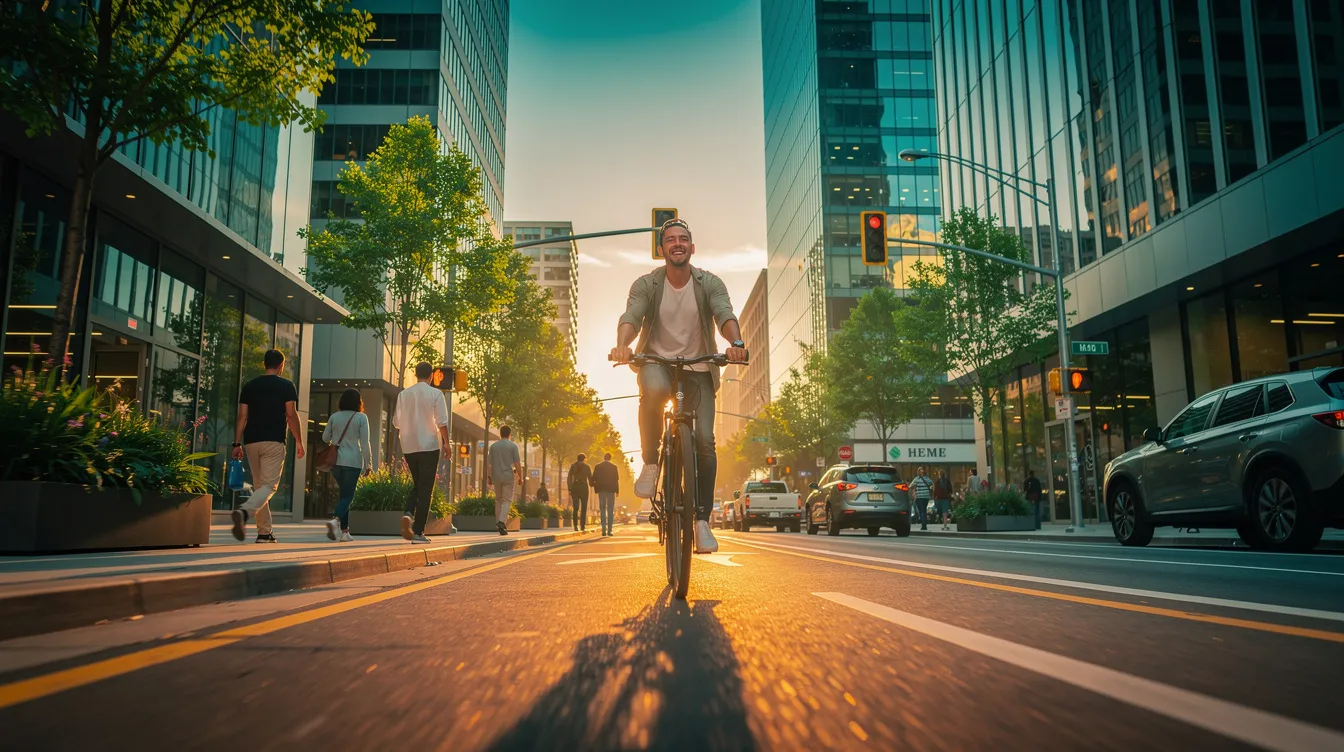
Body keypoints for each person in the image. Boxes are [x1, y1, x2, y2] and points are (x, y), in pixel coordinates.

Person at [609, 217, 749, 555]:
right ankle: (651, 462)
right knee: (655, 391)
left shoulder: (709, 283)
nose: (677, 243)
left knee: (705, 441)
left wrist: (736, 343)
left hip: (699, 367)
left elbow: (724, 314)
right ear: (661, 250)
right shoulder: (647, 284)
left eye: (683, 238)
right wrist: (623, 346)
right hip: (656, 361)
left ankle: (701, 521)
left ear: (692, 247)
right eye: (670, 239)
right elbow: (632, 316)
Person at [231, 349, 305, 543]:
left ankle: (264, 533)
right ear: (281, 365)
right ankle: (245, 512)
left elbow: (242, 416)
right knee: (269, 486)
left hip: (251, 442)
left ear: (264, 364)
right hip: (273, 441)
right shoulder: (287, 386)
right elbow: (291, 415)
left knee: (260, 487)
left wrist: (236, 443)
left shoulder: (249, 386)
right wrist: (299, 441)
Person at [393, 362, 450, 544]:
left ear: (416, 374)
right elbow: (441, 421)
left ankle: (408, 512)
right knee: (426, 489)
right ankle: (418, 532)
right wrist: (447, 443)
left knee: (418, 484)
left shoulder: (403, 395)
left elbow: (396, 422)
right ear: (431, 376)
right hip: (429, 446)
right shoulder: (436, 394)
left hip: (409, 446)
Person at [323, 388, 372, 542]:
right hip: (353, 462)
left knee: (344, 495)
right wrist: (368, 464)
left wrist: (336, 438)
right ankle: (335, 520)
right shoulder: (361, 418)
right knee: (348, 496)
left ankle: (345, 532)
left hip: (336, 462)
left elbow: (325, 438)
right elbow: (365, 443)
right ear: (359, 402)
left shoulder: (334, 417)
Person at [486, 426, 522, 535]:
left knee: (498, 500)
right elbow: (517, 463)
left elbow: (489, 464)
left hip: (496, 476)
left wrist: (489, 477)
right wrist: (520, 476)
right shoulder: (513, 446)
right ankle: (501, 522)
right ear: (509, 434)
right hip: (508, 476)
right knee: (506, 500)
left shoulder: (493, 446)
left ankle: (498, 524)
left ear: (500, 433)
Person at [592, 452, 620, 536]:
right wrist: (617, 491)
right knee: (610, 509)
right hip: (611, 490)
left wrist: (596, 488)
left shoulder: (598, 466)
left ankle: (603, 529)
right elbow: (616, 480)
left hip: (601, 490)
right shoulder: (614, 467)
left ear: (604, 458)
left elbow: (593, 478)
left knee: (602, 509)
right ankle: (610, 530)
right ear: (610, 458)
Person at [568, 453, 593, 532]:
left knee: (575, 508)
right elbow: (590, 478)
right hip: (584, 488)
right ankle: (582, 526)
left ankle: (575, 525)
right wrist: (592, 484)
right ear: (584, 459)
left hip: (575, 487)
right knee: (584, 507)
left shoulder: (573, 466)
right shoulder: (587, 467)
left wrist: (569, 487)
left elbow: (569, 477)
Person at [910, 466, 935, 532]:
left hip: (919, 497)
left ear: (918, 472)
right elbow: (932, 485)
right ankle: (924, 523)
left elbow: (910, 486)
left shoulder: (916, 479)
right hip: (926, 496)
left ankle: (924, 525)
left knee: (921, 511)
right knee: (923, 510)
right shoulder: (927, 478)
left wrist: (915, 489)